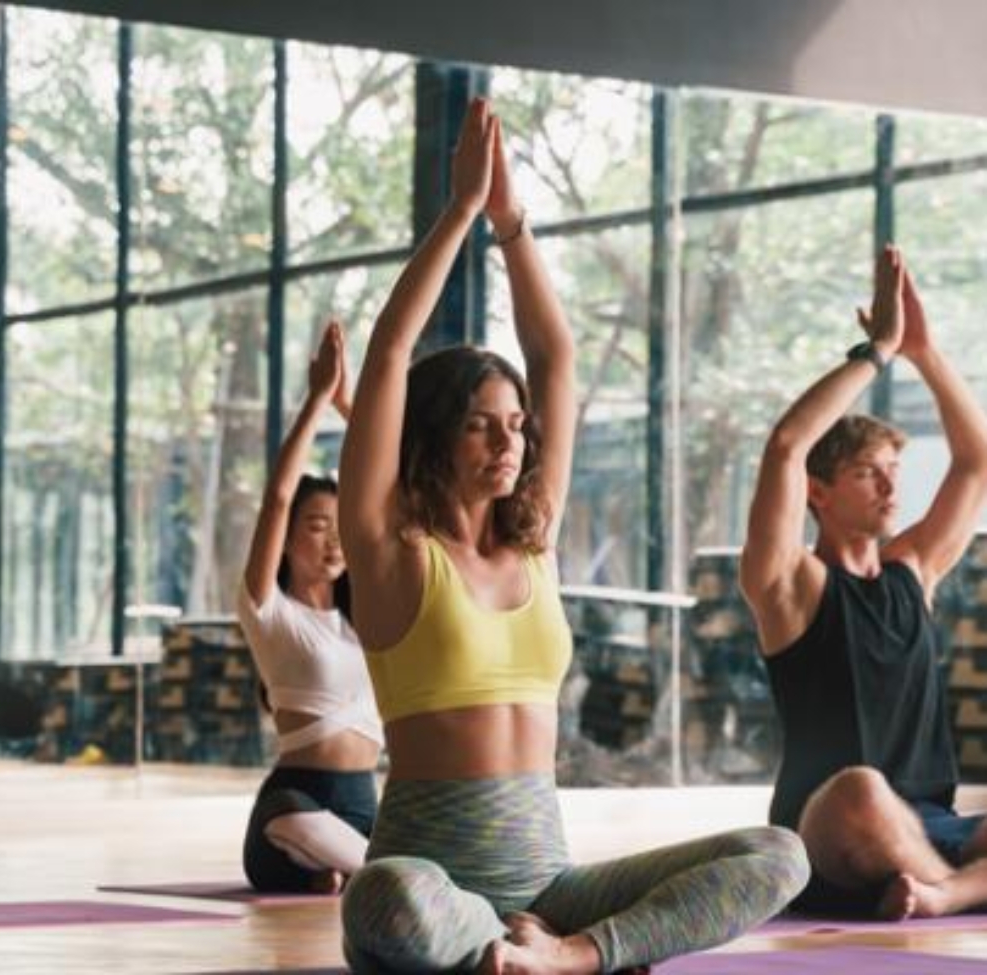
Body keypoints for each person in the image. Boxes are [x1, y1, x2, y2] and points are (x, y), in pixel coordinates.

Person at [336, 97, 808, 974]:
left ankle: (571, 956)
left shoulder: (534, 541)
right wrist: (460, 216)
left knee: (779, 852)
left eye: (516, 424)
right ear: (435, 434)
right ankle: (500, 951)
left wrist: (514, 224)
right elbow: (390, 357)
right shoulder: (392, 552)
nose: (510, 440)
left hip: (552, 888)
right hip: (436, 883)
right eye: (482, 424)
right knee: (385, 900)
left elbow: (555, 359)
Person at [740, 244, 987, 919]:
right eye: (867, 472)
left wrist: (926, 352)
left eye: (893, 470)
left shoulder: (914, 569)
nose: (889, 485)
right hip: (832, 830)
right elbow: (787, 445)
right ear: (818, 493)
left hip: (933, 823)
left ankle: (940, 891)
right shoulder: (790, 585)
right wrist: (877, 349)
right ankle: (956, 888)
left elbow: (976, 460)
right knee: (861, 788)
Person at [236, 320, 383, 895]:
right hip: (294, 801)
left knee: (361, 860)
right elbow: (276, 497)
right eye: (317, 526)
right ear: (290, 536)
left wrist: (352, 405)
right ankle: (365, 873)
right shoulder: (268, 610)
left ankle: (344, 871)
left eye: (339, 527)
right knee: (294, 824)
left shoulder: (367, 618)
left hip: (363, 804)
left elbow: (398, 492)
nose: (333, 540)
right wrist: (318, 401)